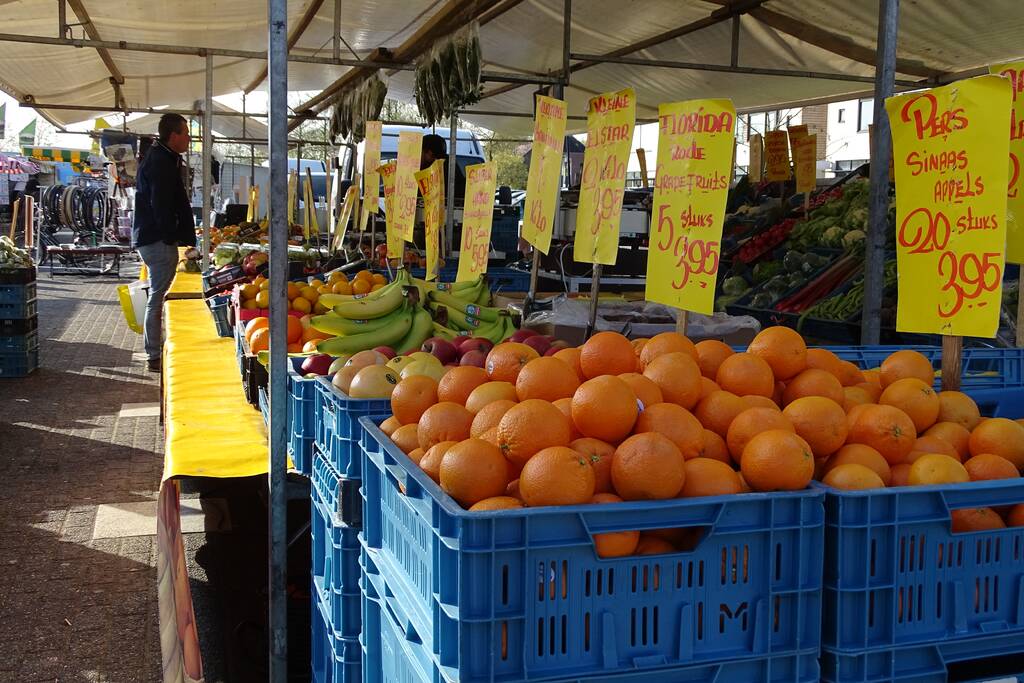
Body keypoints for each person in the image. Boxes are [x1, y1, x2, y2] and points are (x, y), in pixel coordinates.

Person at [133, 113, 195, 372]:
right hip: (156, 239)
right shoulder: (160, 161)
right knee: (158, 296)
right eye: (186, 133)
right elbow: (161, 204)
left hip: (153, 237)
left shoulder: (163, 157)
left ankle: (155, 350)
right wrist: (171, 236)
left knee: (158, 295)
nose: (189, 138)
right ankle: (154, 354)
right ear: (174, 135)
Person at [420, 133, 466, 200]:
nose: (419, 156)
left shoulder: (439, 169)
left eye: (421, 152)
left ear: (430, 153)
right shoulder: (449, 163)